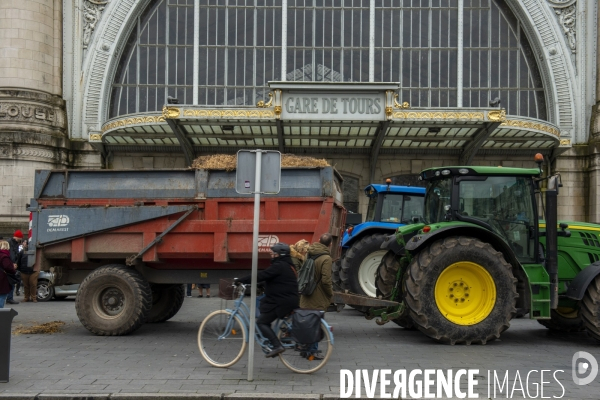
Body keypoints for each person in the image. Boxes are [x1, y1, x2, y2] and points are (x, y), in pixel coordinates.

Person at [235, 242, 299, 358]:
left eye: (274, 253)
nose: (272, 255)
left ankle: (277, 346)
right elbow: (275, 280)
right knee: (265, 317)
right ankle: (271, 342)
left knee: (261, 322)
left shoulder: (279, 266)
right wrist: (261, 284)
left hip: (282, 301)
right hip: (287, 299)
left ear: (279, 254)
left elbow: (262, 275)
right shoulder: (286, 265)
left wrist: (242, 280)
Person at [300, 233, 333, 311]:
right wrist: (330, 293)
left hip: (305, 294)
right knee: (317, 320)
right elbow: (326, 280)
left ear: (318, 241)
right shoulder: (326, 258)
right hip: (318, 298)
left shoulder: (308, 254)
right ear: (330, 244)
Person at [6, 230, 23, 305]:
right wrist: (13, 263)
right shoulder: (10, 243)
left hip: (11, 264)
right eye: (20, 238)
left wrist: (15, 263)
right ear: (18, 237)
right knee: (11, 282)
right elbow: (12, 254)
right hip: (10, 265)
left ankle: (9, 298)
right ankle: (9, 298)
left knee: (11, 282)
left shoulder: (14, 243)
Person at [0, 241, 17, 308]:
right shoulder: (4, 256)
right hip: (2, 279)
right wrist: (13, 268)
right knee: (2, 297)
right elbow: (7, 267)